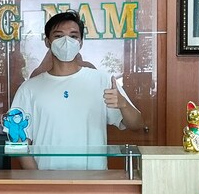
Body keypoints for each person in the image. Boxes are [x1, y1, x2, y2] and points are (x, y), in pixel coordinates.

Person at [9, 11, 143, 170]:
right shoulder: (29, 88)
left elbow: (137, 124)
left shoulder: (103, 81)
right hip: (47, 180)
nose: (66, 41)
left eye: (73, 36)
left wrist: (123, 104)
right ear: (47, 41)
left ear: (81, 42)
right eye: (59, 36)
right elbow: (17, 141)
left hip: (93, 180)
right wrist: (37, 178)